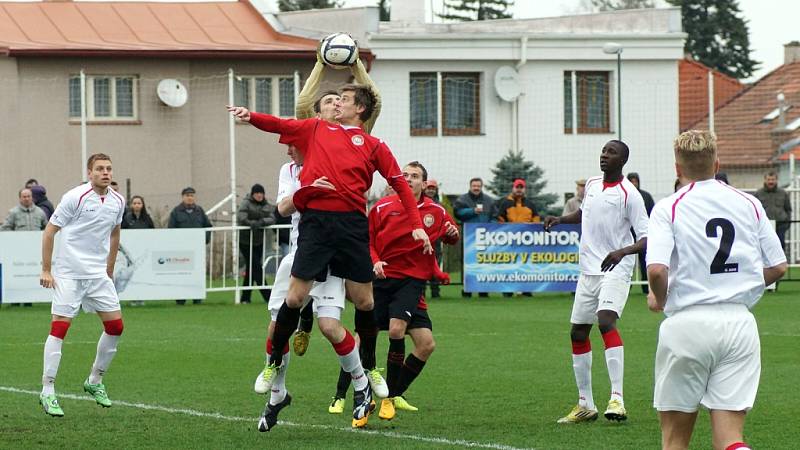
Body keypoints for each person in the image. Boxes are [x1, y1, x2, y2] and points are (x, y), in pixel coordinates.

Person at [234, 65, 428, 430]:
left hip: (352, 227)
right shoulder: (317, 128)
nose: (338, 102)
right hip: (317, 226)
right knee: (293, 300)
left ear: (360, 110)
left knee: (366, 302)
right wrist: (250, 116)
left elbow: (400, 184)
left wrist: (417, 226)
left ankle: (369, 370)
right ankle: (274, 361)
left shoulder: (372, 144)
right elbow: (280, 123)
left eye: (345, 99)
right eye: (334, 99)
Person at [646, 130, 787, 450]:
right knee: (730, 439)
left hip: (688, 323)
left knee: (675, 439)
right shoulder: (748, 203)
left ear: (677, 169)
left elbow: (656, 269)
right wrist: (741, 285)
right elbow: (779, 266)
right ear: (717, 163)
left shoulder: (668, 207)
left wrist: (659, 297)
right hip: (739, 324)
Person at [544, 140, 648, 424]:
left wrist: (622, 251)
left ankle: (617, 399)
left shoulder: (630, 195)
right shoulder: (591, 184)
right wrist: (561, 219)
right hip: (589, 269)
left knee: (605, 321)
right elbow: (584, 213)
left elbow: (646, 237)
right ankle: (585, 404)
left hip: (616, 267)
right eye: (603, 150)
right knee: (578, 332)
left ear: (622, 161)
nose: (604, 155)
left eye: (611, 152)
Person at [369, 161, 459, 423]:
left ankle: (392, 394)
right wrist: (374, 262)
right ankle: (358, 391)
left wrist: (452, 234)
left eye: (415, 176)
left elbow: (450, 236)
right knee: (367, 335)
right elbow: (368, 240)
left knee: (426, 344)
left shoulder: (436, 211)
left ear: (424, 184)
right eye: (404, 175)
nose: (408, 179)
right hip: (385, 283)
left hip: (412, 286)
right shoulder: (382, 207)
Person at [37, 153, 126, 417]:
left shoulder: (117, 201)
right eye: (100, 169)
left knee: (116, 326)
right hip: (69, 273)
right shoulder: (74, 197)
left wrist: (109, 267)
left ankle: (95, 381)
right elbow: (50, 231)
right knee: (60, 328)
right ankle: (48, 390)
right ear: (90, 173)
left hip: (98, 275)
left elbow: (115, 232)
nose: (105, 173)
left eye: (109, 168)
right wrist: (46, 269)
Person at [494, 178, 539, 297]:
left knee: (526, 263)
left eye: (521, 187)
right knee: (509, 263)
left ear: (524, 189)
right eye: (517, 187)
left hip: (526, 240)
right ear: (513, 188)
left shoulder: (530, 204)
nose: (519, 190)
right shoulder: (505, 203)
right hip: (509, 240)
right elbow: (500, 219)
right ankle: (508, 290)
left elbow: (536, 220)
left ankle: (526, 289)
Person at [168, 187, 212, 305]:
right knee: (181, 274)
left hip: (197, 250)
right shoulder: (176, 212)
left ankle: (197, 298)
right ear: (183, 197)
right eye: (187, 195)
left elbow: (208, 226)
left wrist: (205, 240)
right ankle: (180, 298)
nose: (190, 198)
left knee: (197, 274)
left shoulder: (200, 211)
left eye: (192, 195)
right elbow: (171, 229)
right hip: (181, 250)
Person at [453, 178, 494, 298]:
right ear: (470, 186)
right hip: (468, 238)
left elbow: (495, 216)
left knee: (484, 262)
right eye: (474, 186)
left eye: (478, 186)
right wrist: (472, 211)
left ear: (482, 186)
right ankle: (467, 289)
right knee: (468, 263)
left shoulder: (489, 200)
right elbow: (458, 213)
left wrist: (491, 227)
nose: (476, 188)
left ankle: (483, 290)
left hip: (485, 238)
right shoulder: (462, 199)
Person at [237, 183, 276, 304]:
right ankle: (268, 297)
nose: (259, 195)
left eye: (261, 193)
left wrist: (261, 222)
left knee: (251, 269)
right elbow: (241, 216)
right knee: (256, 267)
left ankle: (245, 297)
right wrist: (251, 223)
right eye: (257, 193)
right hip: (245, 241)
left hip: (258, 241)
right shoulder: (246, 203)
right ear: (253, 194)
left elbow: (272, 218)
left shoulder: (266, 204)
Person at [627, 172, 655, 294]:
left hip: (643, 236)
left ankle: (646, 287)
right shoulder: (623, 196)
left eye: (635, 181)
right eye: (631, 181)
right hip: (627, 235)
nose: (634, 183)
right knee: (627, 262)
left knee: (645, 262)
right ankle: (626, 286)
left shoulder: (646, 196)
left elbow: (652, 213)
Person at [754, 171, 791, 254]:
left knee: (781, 244)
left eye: (773, 179)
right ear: (765, 180)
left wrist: (787, 223)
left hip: (781, 224)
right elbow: (754, 210)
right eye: (769, 179)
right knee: (764, 246)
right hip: (765, 225)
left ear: (776, 180)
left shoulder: (783, 193)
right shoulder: (758, 193)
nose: (771, 181)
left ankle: (781, 265)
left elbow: (788, 209)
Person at [424, 179, 444, 299]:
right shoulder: (418, 202)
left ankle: (435, 292)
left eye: (433, 188)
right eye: (429, 188)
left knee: (434, 265)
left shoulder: (439, 205)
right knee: (421, 267)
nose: (431, 190)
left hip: (436, 240)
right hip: (421, 240)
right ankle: (421, 293)